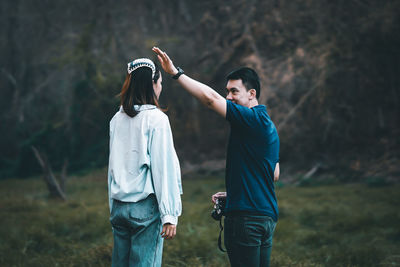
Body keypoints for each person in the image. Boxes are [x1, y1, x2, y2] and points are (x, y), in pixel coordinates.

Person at [153, 47, 280, 267]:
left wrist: (175, 73)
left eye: (234, 91)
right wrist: (236, 192)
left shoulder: (251, 120)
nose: (228, 97)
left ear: (252, 94)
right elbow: (274, 174)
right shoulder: (269, 126)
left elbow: (210, 99)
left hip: (245, 221)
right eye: (227, 92)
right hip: (266, 218)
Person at [107, 57, 182, 267]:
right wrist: (169, 214)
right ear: (152, 85)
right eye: (160, 83)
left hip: (119, 208)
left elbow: (112, 169)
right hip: (145, 210)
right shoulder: (156, 119)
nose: (161, 88)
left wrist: (112, 205)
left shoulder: (116, 120)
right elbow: (163, 167)